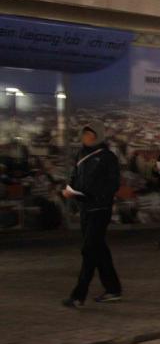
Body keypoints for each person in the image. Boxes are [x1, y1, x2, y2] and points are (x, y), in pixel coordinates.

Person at [61, 124, 122, 307]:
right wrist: (71, 191)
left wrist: (91, 195)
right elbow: (75, 176)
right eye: (85, 134)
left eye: (90, 135)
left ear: (98, 137)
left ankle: (79, 295)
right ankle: (113, 289)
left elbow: (112, 184)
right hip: (85, 208)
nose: (86, 138)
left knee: (89, 250)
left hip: (100, 209)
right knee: (99, 249)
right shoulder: (80, 155)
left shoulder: (107, 157)